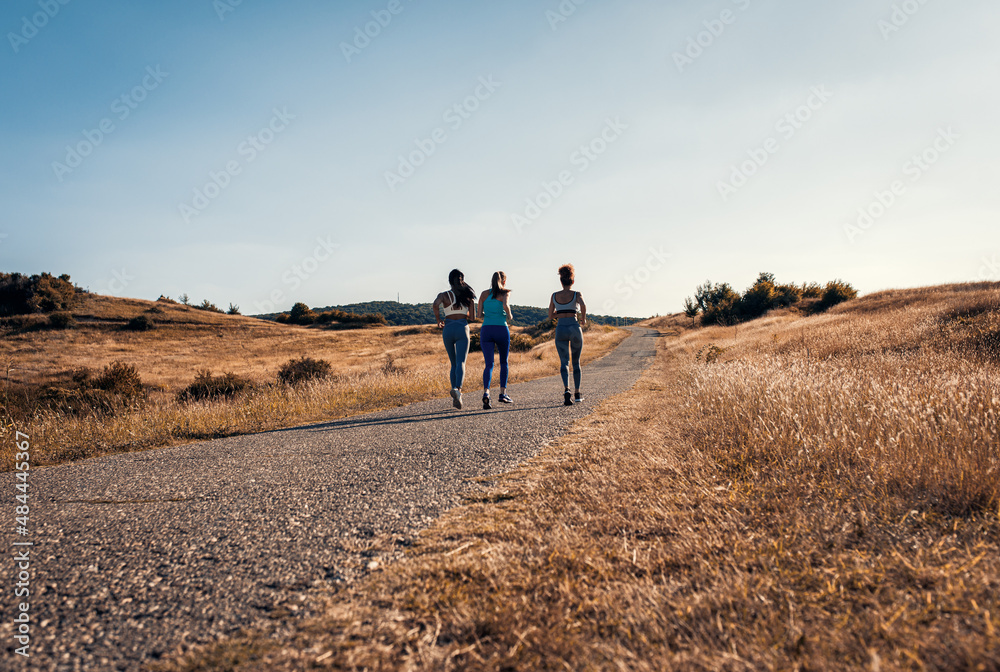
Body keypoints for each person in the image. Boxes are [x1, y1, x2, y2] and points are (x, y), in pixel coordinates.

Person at [432, 269, 477, 409]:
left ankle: (455, 394)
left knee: (453, 363)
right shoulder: (468, 296)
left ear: (450, 281)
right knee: (461, 362)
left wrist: (439, 319)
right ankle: (458, 389)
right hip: (462, 328)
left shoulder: (443, 295)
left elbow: (435, 304)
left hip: (448, 329)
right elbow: (473, 318)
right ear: (461, 280)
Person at [548, 263, 587, 406]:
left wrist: (560, 312)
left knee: (564, 362)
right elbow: (583, 305)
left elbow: (550, 316)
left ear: (561, 280)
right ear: (573, 281)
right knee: (576, 362)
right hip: (574, 328)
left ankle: (566, 390)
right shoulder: (577, 294)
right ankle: (577, 394)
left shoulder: (554, 295)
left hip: (561, 329)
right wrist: (583, 318)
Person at [477, 271, 514, 410]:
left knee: (489, 364)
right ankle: (503, 393)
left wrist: (488, 314)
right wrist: (509, 315)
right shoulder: (505, 292)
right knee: (504, 362)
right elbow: (505, 305)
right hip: (501, 329)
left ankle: (486, 392)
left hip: (486, 329)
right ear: (504, 281)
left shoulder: (483, 294)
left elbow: (479, 314)